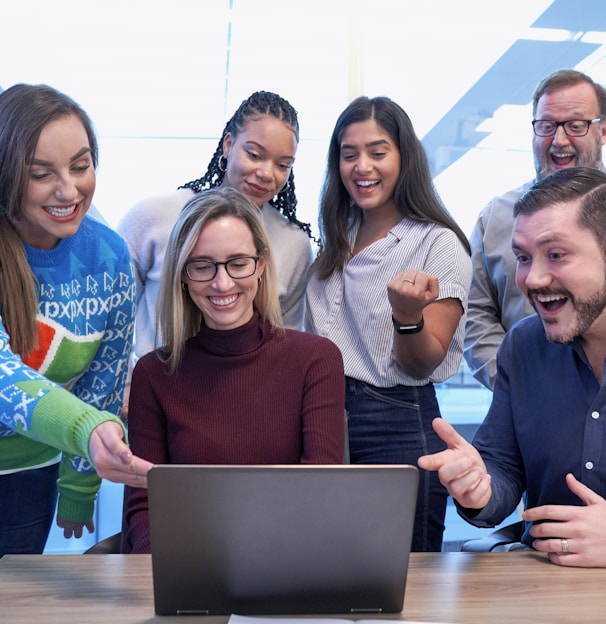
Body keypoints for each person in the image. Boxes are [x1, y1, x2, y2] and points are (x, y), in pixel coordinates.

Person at [124, 188, 345, 554]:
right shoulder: (153, 374)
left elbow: (317, 491)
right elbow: (144, 508)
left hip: (288, 564)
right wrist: (168, 575)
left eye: (237, 263)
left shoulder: (315, 360)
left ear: (260, 264)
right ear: (182, 274)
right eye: (202, 265)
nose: (221, 283)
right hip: (187, 567)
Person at [305, 96, 472, 552]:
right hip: (323, 416)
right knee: (325, 569)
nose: (362, 166)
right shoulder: (335, 239)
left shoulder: (438, 244)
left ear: (404, 158)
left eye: (378, 152)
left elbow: (423, 364)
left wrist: (407, 317)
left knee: (402, 581)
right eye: (349, 153)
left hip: (396, 420)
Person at [420, 166, 606, 568]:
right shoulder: (522, 345)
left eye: (556, 255)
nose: (532, 279)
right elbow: (502, 468)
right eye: (523, 258)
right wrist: (479, 488)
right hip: (543, 585)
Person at [0, 84, 152, 556]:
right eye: (42, 174)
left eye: (81, 166)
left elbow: (103, 380)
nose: (69, 190)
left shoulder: (108, 255)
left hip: (33, 474)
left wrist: (78, 486)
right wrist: (86, 429)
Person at [117, 91, 314, 382]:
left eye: (283, 164)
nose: (266, 173)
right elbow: (111, 319)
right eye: (255, 154)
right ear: (228, 144)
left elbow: (284, 345)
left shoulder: (293, 243)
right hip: (154, 394)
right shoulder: (154, 216)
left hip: (241, 401)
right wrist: (127, 384)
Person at [465, 69, 606, 390]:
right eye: (546, 126)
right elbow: (474, 312)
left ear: (602, 131)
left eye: (576, 125)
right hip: (525, 408)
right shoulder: (497, 217)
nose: (559, 140)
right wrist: (517, 382)